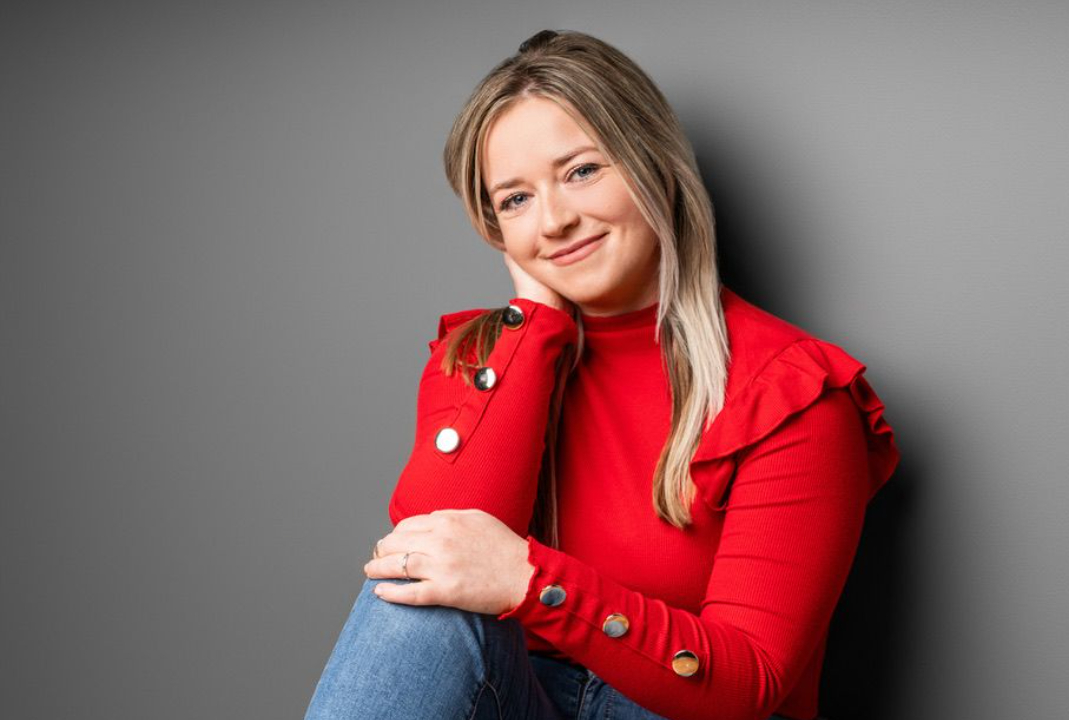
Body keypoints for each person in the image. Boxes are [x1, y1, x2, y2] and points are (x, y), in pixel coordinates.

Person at [304, 29, 900, 720]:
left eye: (581, 171)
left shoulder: (788, 392)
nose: (554, 221)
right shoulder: (482, 357)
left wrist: (529, 582)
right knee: (423, 590)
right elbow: (430, 558)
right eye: (516, 200)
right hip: (516, 698)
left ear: (653, 163)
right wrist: (535, 323)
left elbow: (752, 680)